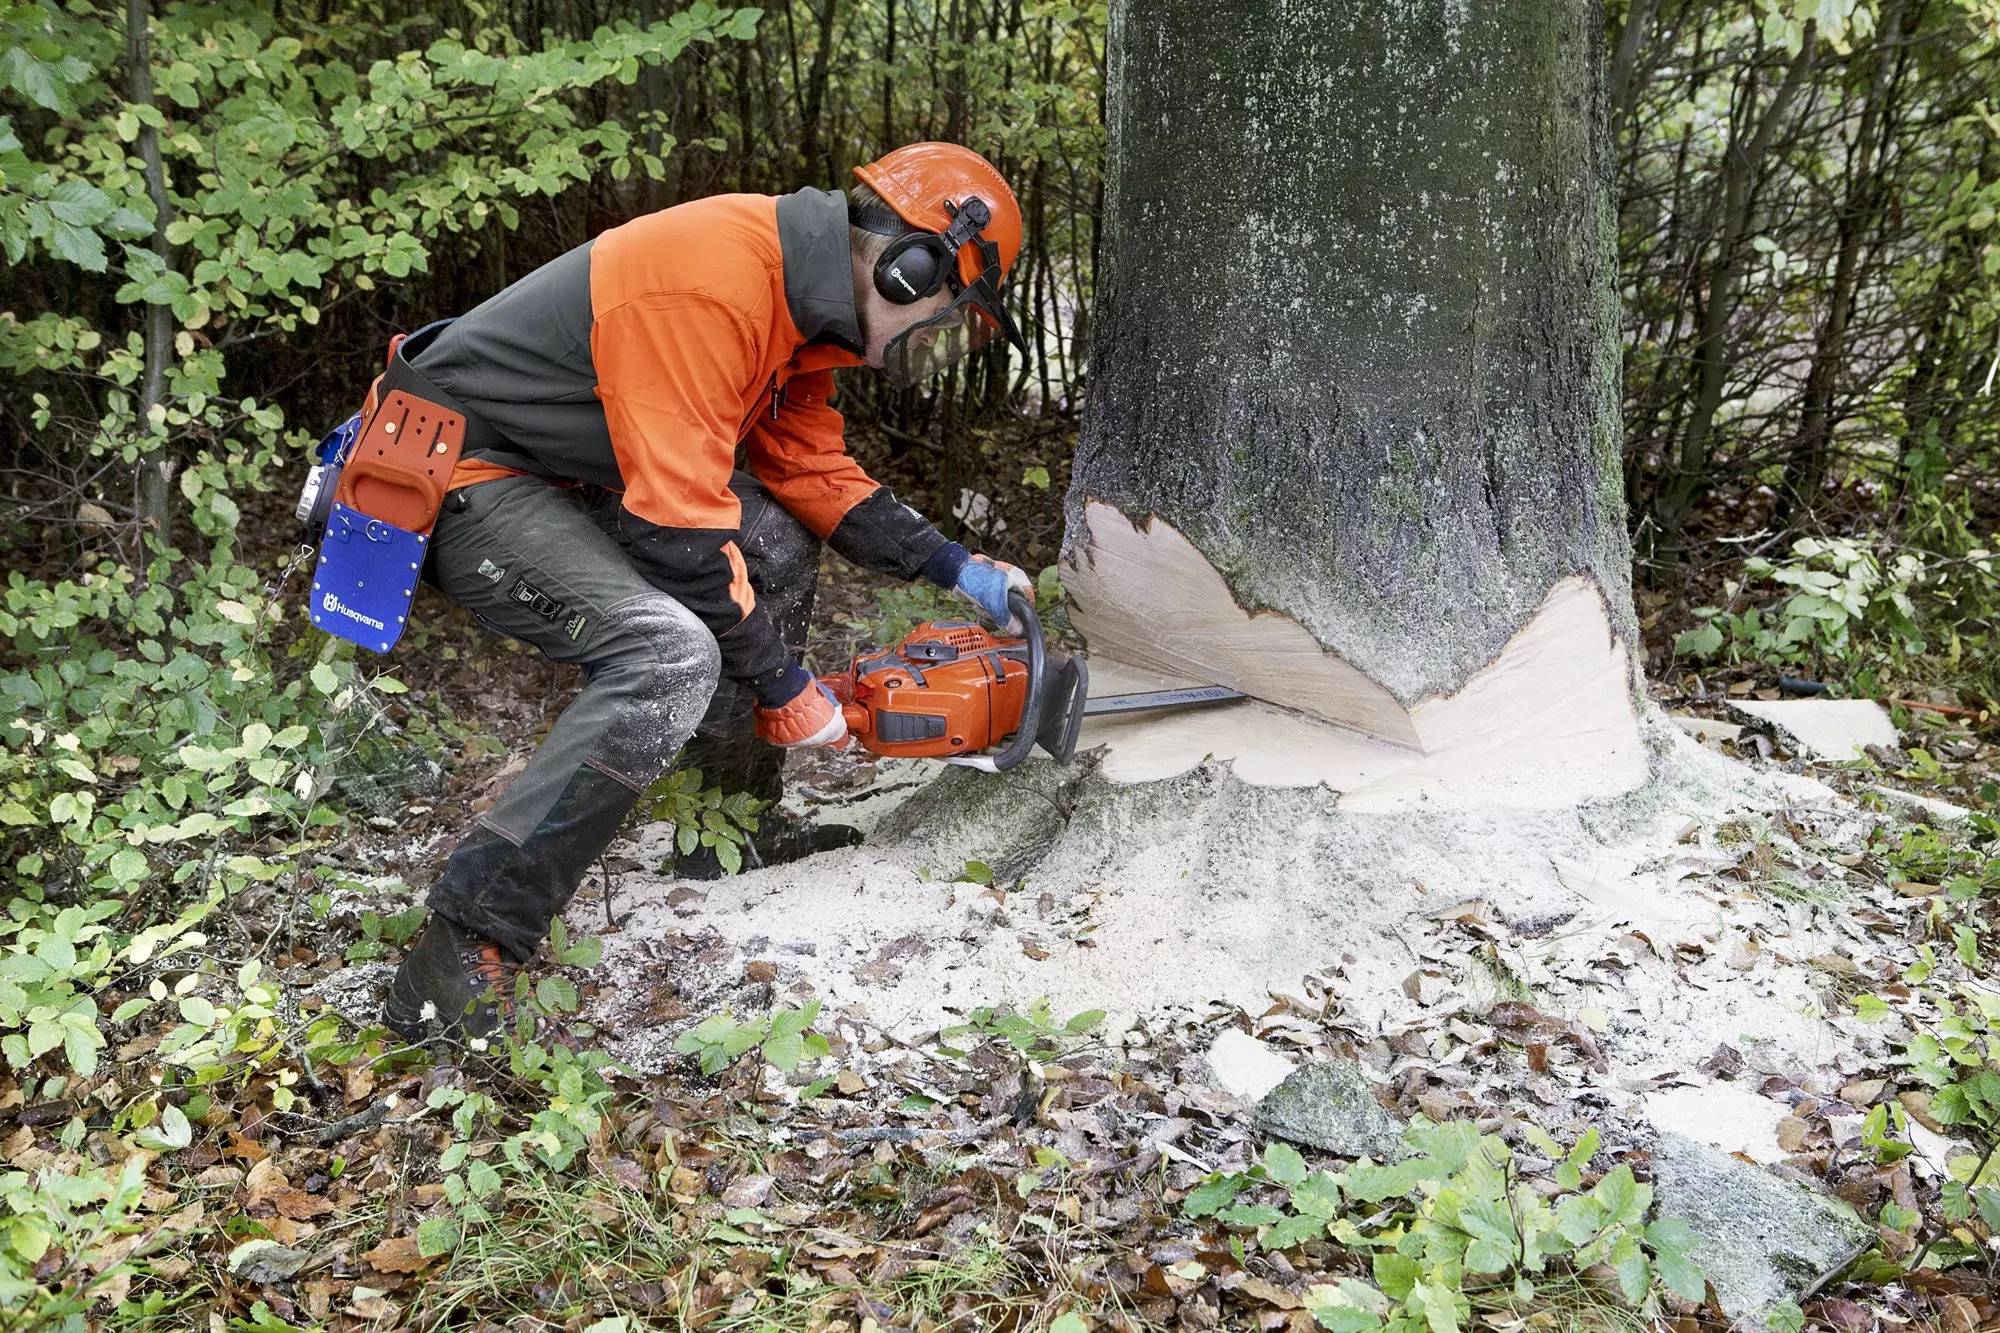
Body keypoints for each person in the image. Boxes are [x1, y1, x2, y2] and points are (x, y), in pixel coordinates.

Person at [379, 143, 1033, 1043]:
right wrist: (784, 687)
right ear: (906, 263)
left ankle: (731, 829)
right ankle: (459, 950)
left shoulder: (801, 313)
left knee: (774, 541)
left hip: (559, 469)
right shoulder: (715, 285)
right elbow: (678, 535)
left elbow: (811, 471)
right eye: (945, 312)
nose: (935, 339)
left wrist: (954, 565)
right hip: (460, 467)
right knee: (668, 653)